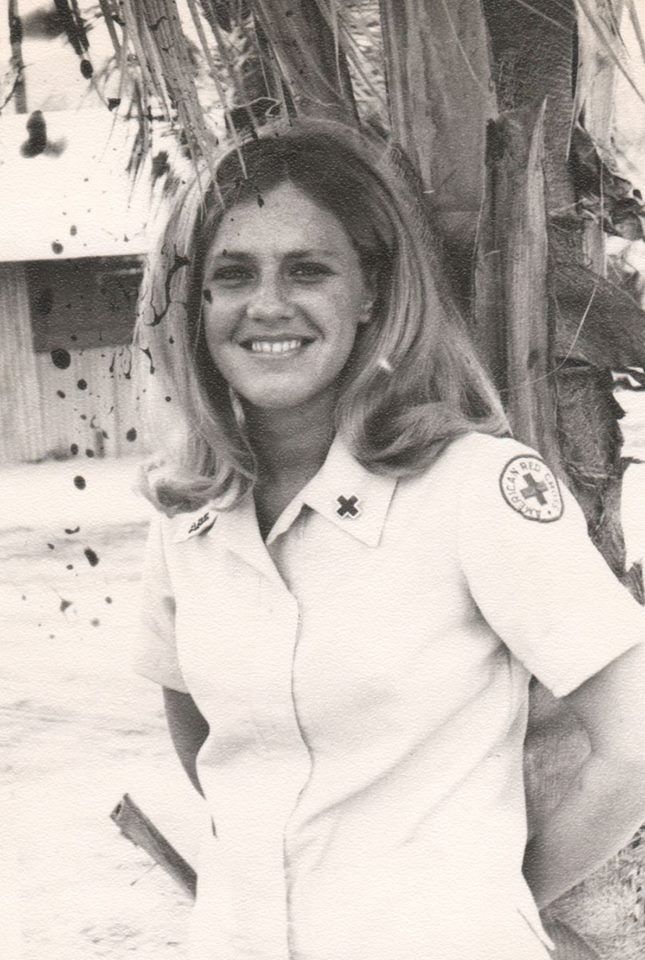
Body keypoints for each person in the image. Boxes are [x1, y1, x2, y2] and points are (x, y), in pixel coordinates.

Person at [132, 120, 645, 960]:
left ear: (370, 292)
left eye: (308, 270)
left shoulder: (474, 489)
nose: (267, 305)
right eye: (232, 275)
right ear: (198, 305)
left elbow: (629, 749)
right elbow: (208, 745)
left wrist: (486, 904)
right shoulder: (189, 513)